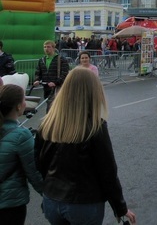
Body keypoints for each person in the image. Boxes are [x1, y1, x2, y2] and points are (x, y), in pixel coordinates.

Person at [34, 68, 137, 225]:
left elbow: (40, 163)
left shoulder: (48, 122)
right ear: (94, 92)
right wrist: (120, 208)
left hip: (52, 199)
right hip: (84, 203)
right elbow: (107, 173)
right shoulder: (95, 127)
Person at [0, 84, 43, 225]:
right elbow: (34, 173)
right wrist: (50, 197)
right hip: (10, 206)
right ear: (19, 106)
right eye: (24, 99)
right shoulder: (21, 135)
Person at [32, 40, 70, 113]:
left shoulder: (61, 59)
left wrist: (56, 82)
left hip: (57, 87)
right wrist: (37, 80)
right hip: (46, 87)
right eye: (44, 47)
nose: (46, 49)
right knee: (49, 104)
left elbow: (64, 73)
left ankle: (50, 121)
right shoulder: (42, 60)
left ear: (53, 48)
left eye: (48, 47)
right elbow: (38, 72)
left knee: (52, 106)